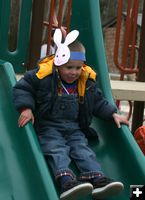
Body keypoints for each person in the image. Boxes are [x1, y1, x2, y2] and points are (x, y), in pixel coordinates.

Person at [13, 29, 129, 200]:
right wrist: (26, 108)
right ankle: (67, 181)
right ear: (58, 63)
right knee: (56, 149)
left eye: (77, 68)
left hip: (74, 128)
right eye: (69, 67)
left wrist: (113, 114)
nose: (73, 72)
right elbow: (23, 88)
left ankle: (97, 179)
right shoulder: (44, 76)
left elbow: (97, 101)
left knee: (83, 150)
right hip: (48, 127)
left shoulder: (84, 81)